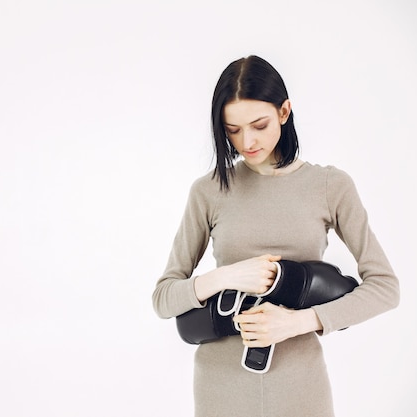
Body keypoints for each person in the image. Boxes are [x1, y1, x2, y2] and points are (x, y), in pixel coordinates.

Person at [151, 55, 400, 417]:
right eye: (232, 130)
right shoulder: (208, 191)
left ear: (284, 112)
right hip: (221, 389)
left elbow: (385, 288)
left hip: (301, 387)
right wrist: (226, 276)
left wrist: (299, 322)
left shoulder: (330, 186)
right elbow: (163, 298)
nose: (247, 141)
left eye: (259, 124)